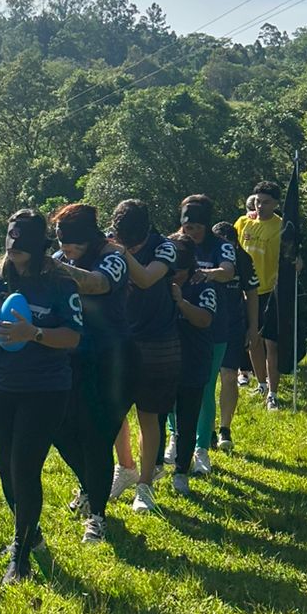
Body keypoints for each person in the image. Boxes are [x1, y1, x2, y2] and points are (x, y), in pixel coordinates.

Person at [0, 210, 83, 582]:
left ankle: (19, 558)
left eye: (22, 240)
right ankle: (30, 532)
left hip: (45, 390)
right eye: (10, 237)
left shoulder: (60, 283)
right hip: (0, 386)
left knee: (24, 469)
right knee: (6, 470)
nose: (14, 245)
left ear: (41, 245)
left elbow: (72, 337)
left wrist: (34, 333)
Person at [48, 202, 132, 545]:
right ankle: (88, 484)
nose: (66, 250)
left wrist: (53, 269)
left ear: (89, 239)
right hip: (72, 357)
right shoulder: (61, 258)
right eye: (61, 243)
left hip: (113, 360)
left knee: (97, 437)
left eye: (72, 244)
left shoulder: (113, 255)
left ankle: (98, 516)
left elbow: (98, 285)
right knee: (60, 428)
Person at [106, 200, 179, 514]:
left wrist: (121, 252)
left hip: (157, 340)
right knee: (115, 412)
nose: (130, 247)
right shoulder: (112, 241)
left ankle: (145, 486)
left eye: (134, 243)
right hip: (118, 337)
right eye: (124, 241)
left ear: (147, 231)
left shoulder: (165, 247)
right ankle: (125, 468)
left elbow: (147, 278)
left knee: (149, 415)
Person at [176, 195, 237, 473]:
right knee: (174, 386)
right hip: (177, 327)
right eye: (187, 227)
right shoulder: (174, 243)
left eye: (197, 228)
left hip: (214, 327)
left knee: (204, 387)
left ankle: (201, 447)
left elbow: (227, 272)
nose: (192, 233)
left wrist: (207, 274)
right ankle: (175, 440)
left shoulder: (222, 246)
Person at [165, 237, 218, 495]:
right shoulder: (159, 283)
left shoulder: (203, 287)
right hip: (163, 359)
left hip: (194, 361)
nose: (174, 276)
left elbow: (204, 319)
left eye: (179, 271)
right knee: (158, 416)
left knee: (188, 420)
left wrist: (181, 302)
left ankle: (181, 471)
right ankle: (153, 467)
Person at [236, 180, 284, 410]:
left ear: (275, 204)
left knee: (271, 344)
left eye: (266, 202)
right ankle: (261, 384)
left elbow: (292, 254)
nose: (261, 206)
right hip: (247, 292)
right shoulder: (243, 223)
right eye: (257, 201)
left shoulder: (281, 227)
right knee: (252, 340)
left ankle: (273, 393)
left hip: (270, 291)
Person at [211, 219, 259, 450]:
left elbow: (252, 293)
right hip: (207, 324)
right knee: (206, 381)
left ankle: (225, 429)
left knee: (229, 376)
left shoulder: (243, 259)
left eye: (230, 245)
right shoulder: (206, 256)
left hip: (234, 324)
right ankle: (206, 429)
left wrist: (252, 328)